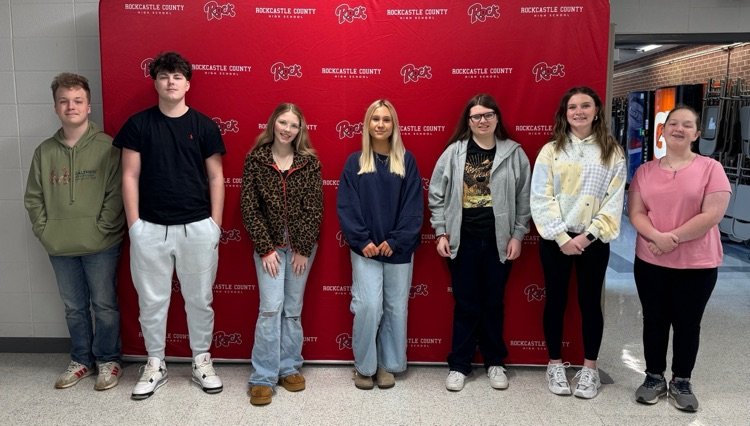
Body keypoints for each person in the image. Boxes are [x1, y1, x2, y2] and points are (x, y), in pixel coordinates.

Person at [113, 51, 226, 400]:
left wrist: (215, 225)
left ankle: (202, 360)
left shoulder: (204, 125)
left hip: (197, 227)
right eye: (164, 76)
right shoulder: (138, 124)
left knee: (200, 300)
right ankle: (155, 363)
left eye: (177, 76)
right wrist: (134, 225)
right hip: (149, 227)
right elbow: (129, 176)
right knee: (151, 301)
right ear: (155, 82)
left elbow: (216, 176)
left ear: (187, 83)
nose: (171, 82)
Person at [24, 73, 125, 391]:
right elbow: (33, 197)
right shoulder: (44, 152)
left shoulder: (108, 147)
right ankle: (82, 360)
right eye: (64, 101)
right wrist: (45, 232)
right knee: (74, 306)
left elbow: (116, 193)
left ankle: (108, 360)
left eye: (77, 101)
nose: (71, 107)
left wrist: (101, 230)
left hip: (102, 244)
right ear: (55, 107)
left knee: (105, 305)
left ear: (89, 106)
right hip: (60, 245)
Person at [628, 104, 731, 412]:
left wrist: (671, 239)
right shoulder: (645, 171)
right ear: (663, 129)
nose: (679, 129)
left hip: (697, 264)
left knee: (688, 324)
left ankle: (682, 380)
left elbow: (712, 214)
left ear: (697, 134)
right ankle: (653, 377)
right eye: (673, 123)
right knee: (654, 321)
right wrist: (656, 238)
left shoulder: (711, 169)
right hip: (650, 262)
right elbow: (636, 212)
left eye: (687, 125)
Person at [428, 94, 531, 392]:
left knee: (493, 303)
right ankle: (459, 365)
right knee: (465, 304)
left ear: (497, 118)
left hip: (499, 242)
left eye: (487, 115)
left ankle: (495, 362)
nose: (482, 120)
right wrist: (441, 232)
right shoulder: (454, 153)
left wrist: (517, 235)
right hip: (463, 242)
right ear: (468, 121)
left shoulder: (514, 154)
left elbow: (524, 199)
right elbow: (436, 193)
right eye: (476, 116)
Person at [530, 86, 626, 399]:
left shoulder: (612, 151)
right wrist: (561, 236)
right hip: (556, 239)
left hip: (593, 240)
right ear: (564, 113)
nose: (579, 112)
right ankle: (555, 364)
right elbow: (540, 197)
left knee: (590, 304)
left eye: (586, 106)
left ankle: (590, 370)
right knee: (556, 302)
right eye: (573, 107)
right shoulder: (550, 150)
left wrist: (587, 236)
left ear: (597, 111)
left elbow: (613, 201)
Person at [337, 99, 424, 390]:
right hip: (367, 251)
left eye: (386, 120)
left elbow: (414, 206)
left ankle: (388, 364)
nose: (381, 124)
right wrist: (363, 240)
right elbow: (347, 205)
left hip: (399, 250)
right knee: (369, 306)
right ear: (367, 124)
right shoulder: (355, 162)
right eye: (375, 119)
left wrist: (396, 239)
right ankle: (365, 366)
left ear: (394, 125)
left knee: (396, 308)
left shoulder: (406, 161)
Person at [240, 103, 323, 406]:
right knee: (270, 309)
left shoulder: (309, 162)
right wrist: (265, 248)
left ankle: (289, 367)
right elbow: (249, 207)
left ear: (300, 130)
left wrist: (302, 249)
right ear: (273, 123)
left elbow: (315, 208)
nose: (287, 129)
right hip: (270, 249)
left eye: (294, 125)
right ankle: (263, 376)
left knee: (292, 309)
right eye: (283, 122)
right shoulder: (256, 159)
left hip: (301, 250)